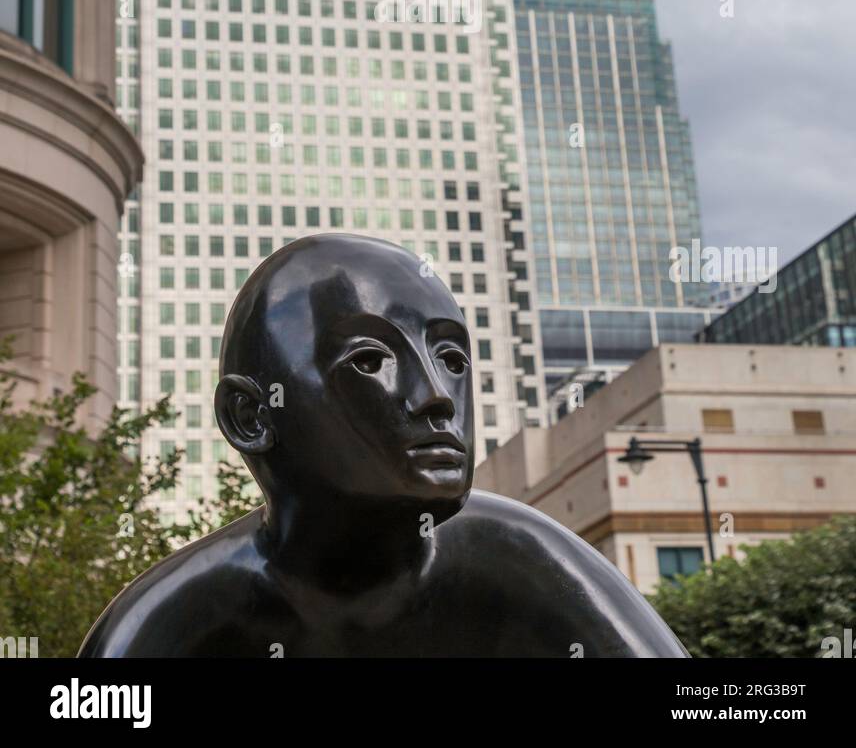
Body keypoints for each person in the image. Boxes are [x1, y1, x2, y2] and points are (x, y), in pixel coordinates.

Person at [79, 234, 688, 658]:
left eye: (451, 359)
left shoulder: (522, 558)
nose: (437, 397)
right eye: (370, 360)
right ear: (250, 417)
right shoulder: (169, 620)